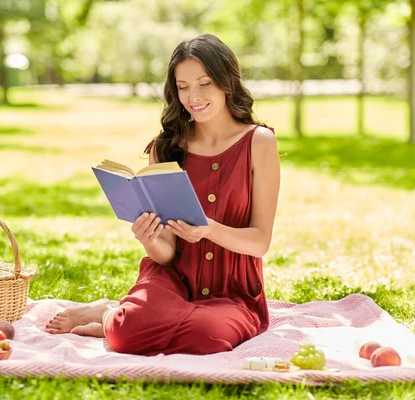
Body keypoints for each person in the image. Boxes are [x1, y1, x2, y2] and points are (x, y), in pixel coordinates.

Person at [46, 33, 280, 356]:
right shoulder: (166, 149)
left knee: (208, 337)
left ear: (226, 81)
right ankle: (113, 315)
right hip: (172, 281)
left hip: (233, 293)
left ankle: (116, 318)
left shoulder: (259, 143)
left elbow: (260, 240)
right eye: (183, 87)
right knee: (128, 336)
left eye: (204, 84)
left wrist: (208, 229)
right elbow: (167, 254)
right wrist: (149, 238)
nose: (193, 97)